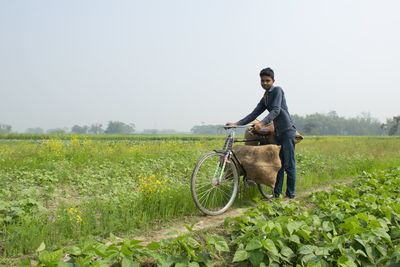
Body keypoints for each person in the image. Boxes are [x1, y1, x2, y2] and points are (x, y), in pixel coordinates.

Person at [226, 67, 297, 200]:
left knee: (289, 164)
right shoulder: (265, 97)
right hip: (277, 134)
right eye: (262, 80)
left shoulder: (277, 90)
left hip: (287, 131)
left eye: (267, 80)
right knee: (278, 165)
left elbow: (276, 110)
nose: (264, 83)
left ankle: (290, 195)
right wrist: (237, 123)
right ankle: (277, 195)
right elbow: (254, 113)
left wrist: (262, 123)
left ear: (273, 80)